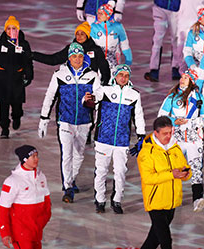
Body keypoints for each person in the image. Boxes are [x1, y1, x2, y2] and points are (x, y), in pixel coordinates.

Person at [38, 43, 100, 203]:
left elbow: (99, 98)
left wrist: (93, 104)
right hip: (65, 122)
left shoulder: (92, 75)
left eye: (80, 56)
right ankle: (68, 187)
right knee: (67, 154)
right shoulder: (59, 74)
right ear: (69, 58)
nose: (77, 59)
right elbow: (50, 96)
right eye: (74, 56)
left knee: (79, 154)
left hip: (84, 122)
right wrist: (44, 119)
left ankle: (71, 179)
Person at [84, 64, 145, 214]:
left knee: (120, 171)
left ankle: (117, 200)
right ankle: (99, 200)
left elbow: (138, 116)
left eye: (126, 75)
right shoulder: (105, 91)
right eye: (120, 75)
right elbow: (91, 100)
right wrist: (86, 100)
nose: (123, 78)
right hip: (103, 138)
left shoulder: (134, 95)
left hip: (122, 141)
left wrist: (141, 135)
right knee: (101, 171)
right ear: (115, 76)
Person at [157, 69, 204, 212]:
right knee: (174, 168)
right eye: (182, 77)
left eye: (186, 78)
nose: (182, 79)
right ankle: (171, 198)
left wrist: (193, 123)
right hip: (176, 140)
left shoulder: (199, 98)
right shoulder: (172, 97)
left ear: (192, 81)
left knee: (196, 169)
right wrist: (174, 121)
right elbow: (161, 117)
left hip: (195, 140)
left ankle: (197, 199)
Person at [136, 116, 191, 249]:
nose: (168, 136)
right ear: (156, 133)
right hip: (156, 202)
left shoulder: (175, 148)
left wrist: (186, 174)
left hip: (172, 201)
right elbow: (148, 178)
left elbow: (183, 168)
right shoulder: (146, 153)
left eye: (170, 132)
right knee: (166, 241)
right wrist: (171, 174)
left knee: (153, 240)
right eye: (165, 133)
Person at [0, 145, 51, 249]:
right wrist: (5, 232)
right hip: (20, 233)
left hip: (37, 231)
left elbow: (47, 200)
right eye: (33, 157)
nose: (37, 159)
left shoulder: (41, 177)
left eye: (37, 156)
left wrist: (43, 220)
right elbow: (3, 209)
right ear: (25, 160)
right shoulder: (12, 181)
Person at [0, 16, 33, 139]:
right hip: (2, 80)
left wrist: (29, 76)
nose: (11, 31)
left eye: (14, 28)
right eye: (9, 28)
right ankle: (4, 128)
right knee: (3, 105)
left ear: (18, 30)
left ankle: (17, 116)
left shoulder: (24, 44)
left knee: (16, 104)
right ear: (5, 30)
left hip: (17, 79)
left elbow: (28, 62)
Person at [32, 21, 111, 85]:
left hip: (89, 84)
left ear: (87, 35)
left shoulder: (96, 50)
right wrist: (33, 55)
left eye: (82, 34)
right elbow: (53, 60)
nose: (79, 36)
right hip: (72, 83)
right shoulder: (71, 49)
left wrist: (104, 83)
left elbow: (104, 68)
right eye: (77, 34)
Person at [90, 0, 132, 72]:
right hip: (98, 62)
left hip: (115, 63)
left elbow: (125, 44)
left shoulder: (118, 27)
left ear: (108, 15)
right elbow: (90, 46)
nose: (98, 16)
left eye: (101, 14)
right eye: (98, 13)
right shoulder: (94, 27)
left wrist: (128, 61)